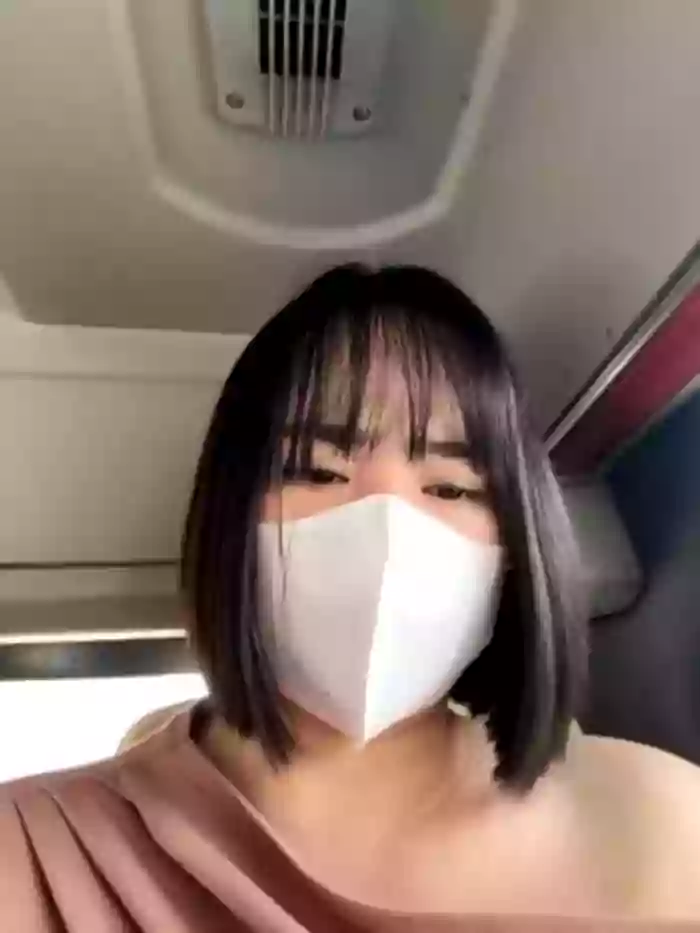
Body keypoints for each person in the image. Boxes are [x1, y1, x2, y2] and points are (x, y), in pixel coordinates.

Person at [2, 265, 700, 932]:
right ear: (226, 517)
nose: (386, 527)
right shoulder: (35, 853)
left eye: (451, 487)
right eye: (316, 471)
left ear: (517, 548)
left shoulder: (661, 825)